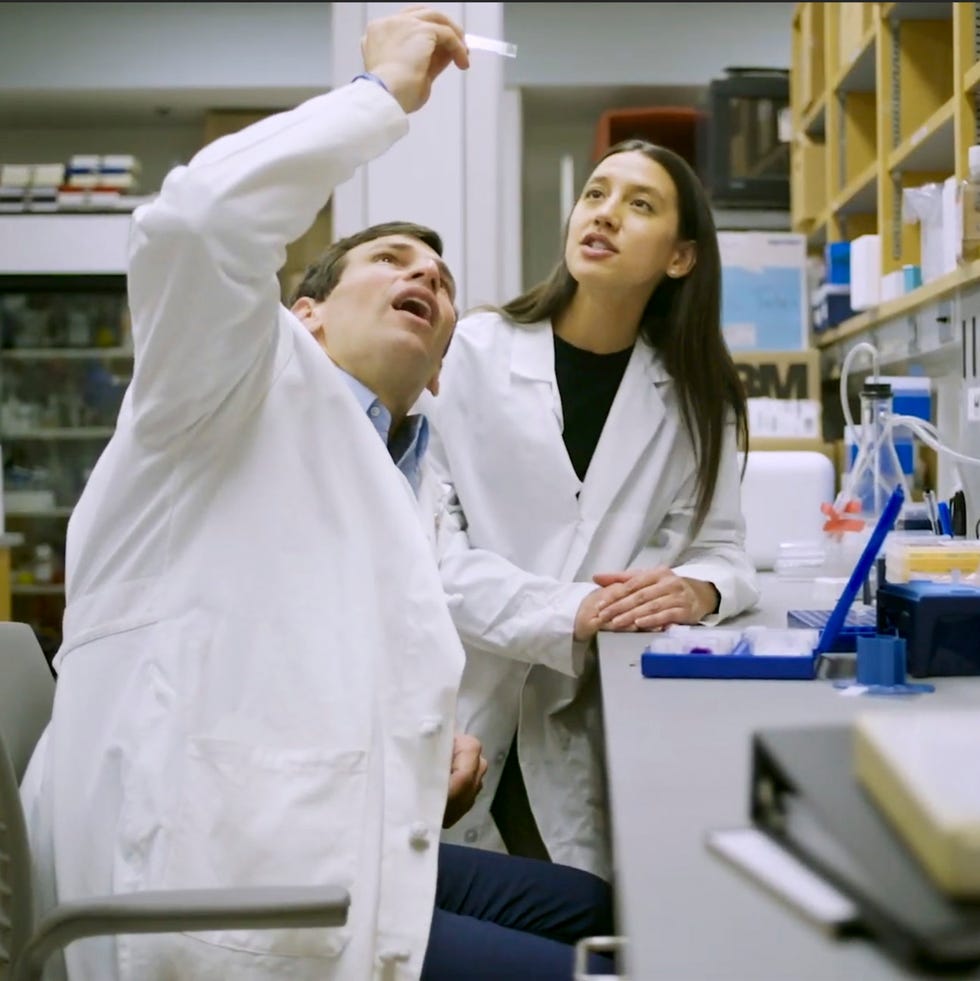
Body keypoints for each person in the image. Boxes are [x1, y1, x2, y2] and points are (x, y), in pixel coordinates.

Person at [18, 8, 614, 979]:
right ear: (303, 315)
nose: (424, 272)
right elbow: (201, 219)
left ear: (436, 373)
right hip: (201, 881)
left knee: (595, 908)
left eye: (441, 277)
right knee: (596, 967)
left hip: (313, 840)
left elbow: (296, 668)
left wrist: (422, 763)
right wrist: (381, 94)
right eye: (389, 260)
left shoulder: (398, 458)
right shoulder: (223, 385)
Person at [426, 138, 761, 880]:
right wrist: (574, 612)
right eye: (597, 194)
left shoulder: (700, 397)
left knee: (601, 915)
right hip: (460, 703)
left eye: (639, 205)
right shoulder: (472, 353)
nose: (605, 214)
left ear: (680, 258)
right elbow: (425, 555)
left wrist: (699, 588)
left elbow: (726, 550)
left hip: (595, 717)